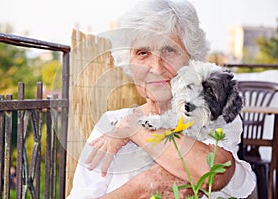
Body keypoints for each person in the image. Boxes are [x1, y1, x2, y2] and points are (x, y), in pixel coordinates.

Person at [67, 0, 256, 198]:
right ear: (128, 63)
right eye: (143, 53)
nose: (156, 68)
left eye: (170, 50)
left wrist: (135, 129)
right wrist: (143, 186)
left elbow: (213, 174)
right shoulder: (110, 123)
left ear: (191, 59)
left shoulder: (210, 116)